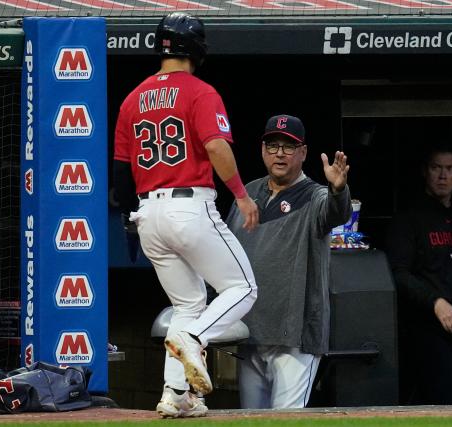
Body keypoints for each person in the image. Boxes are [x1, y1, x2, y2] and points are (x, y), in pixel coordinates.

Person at [113, 12, 258, 418]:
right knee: (244, 288)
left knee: (188, 304)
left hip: (148, 214)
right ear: (196, 48)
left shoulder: (132, 98)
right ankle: (195, 339)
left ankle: (175, 393)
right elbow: (215, 147)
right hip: (188, 204)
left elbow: (121, 170)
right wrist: (242, 196)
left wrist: (130, 216)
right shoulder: (200, 91)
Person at [225, 114, 352, 409]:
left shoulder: (316, 195)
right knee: (250, 421)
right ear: (262, 150)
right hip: (250, 334)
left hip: (295, 339)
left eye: (288, 146)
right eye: (272, 146)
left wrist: (338, 190)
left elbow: (336, 213)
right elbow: (225, 250)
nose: (279, 153)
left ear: (303, 153)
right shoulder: (247, 193)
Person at [386, 145, 452, 405]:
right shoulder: (408, 218)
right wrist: (436, 303)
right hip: (427, 332)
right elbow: (398, 273)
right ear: (425, 172)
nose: (443, 176)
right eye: (436, 168)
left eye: (450, 169)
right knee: (443, 408)